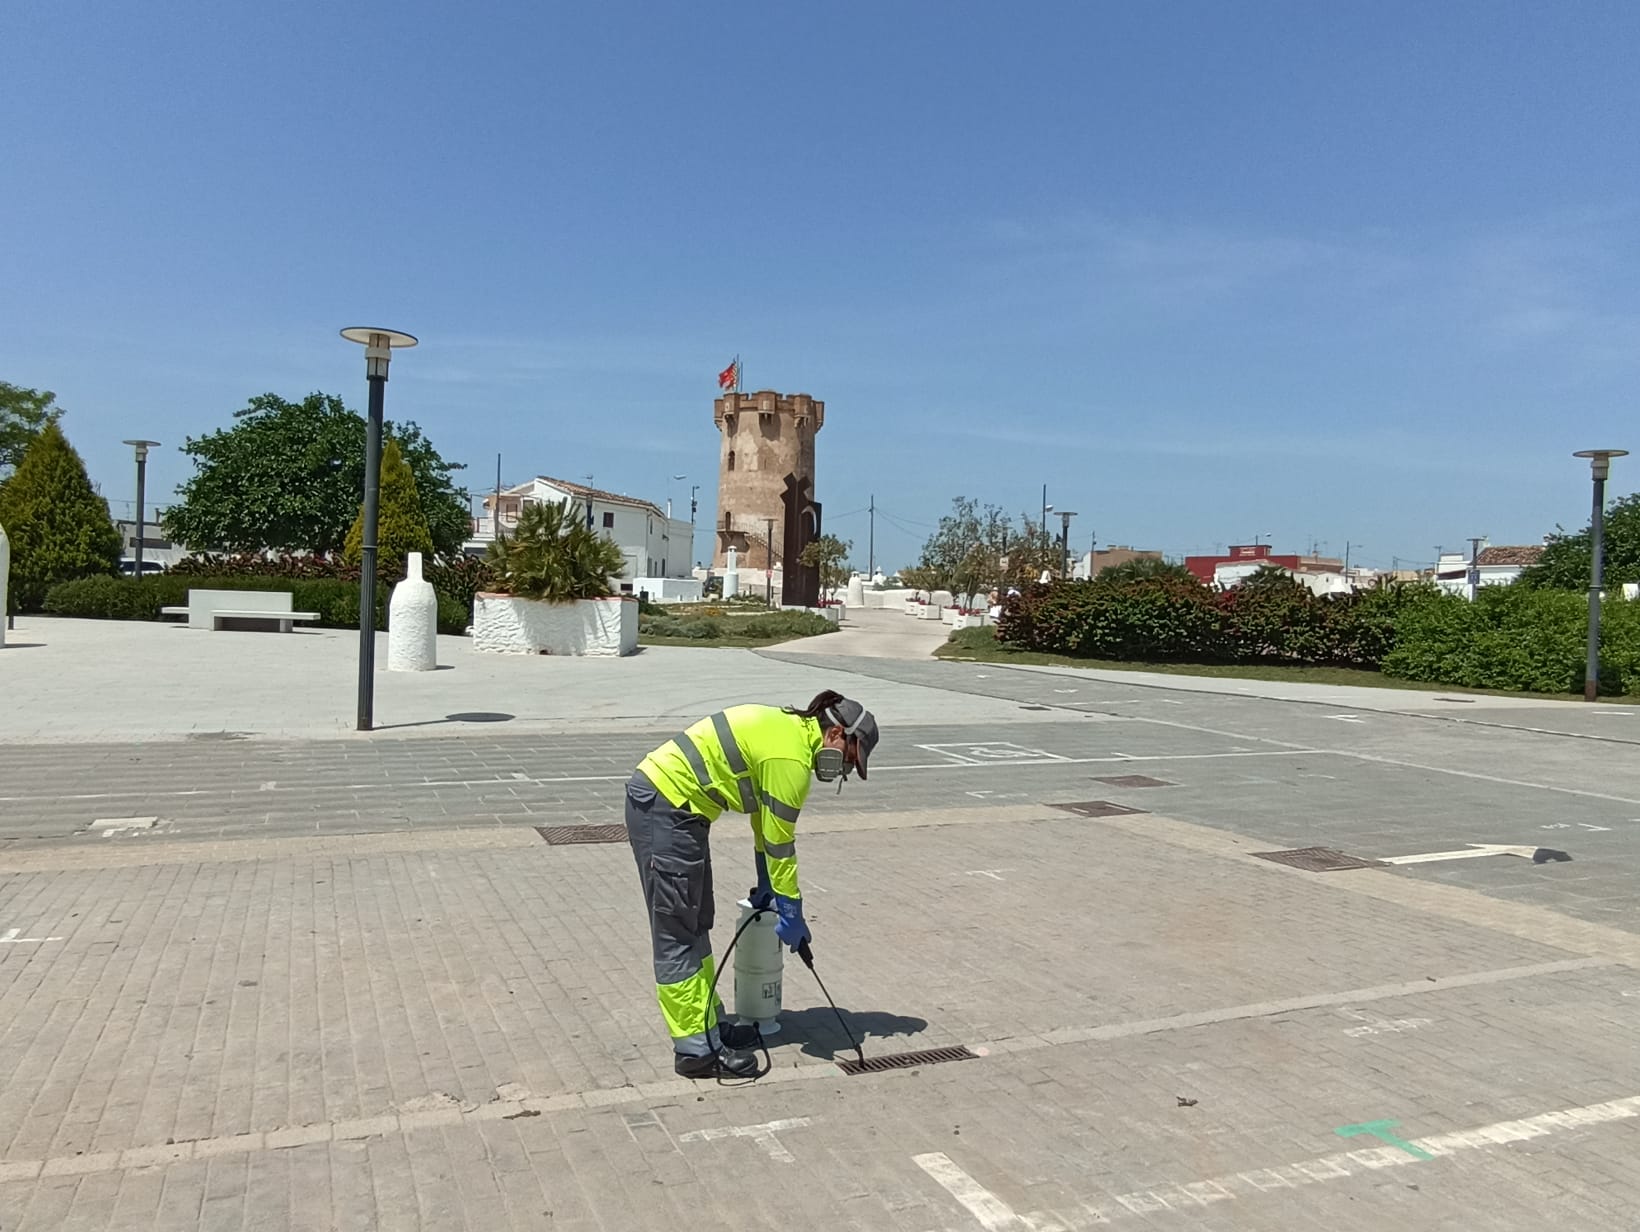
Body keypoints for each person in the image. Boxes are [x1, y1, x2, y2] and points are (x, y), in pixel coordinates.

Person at [623, 690, 881, 1078]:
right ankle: (696, 1052)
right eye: (849, 758)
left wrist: (766, 884)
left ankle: (708, 1025)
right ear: (837, 734)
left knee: (696, 922)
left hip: (683, 813)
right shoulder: (790, 758)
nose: (843, 770)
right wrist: (791, 910)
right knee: (677, 932)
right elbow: (780, 844)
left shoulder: (792, 732)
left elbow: (764, 823)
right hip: (666, 808)